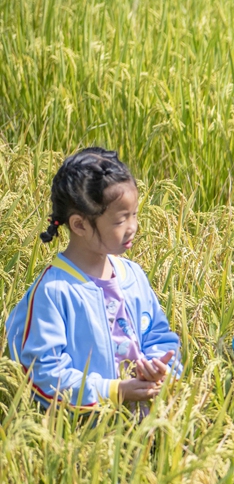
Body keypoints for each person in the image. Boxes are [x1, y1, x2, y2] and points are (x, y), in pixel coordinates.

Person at [7, 147, 179, 408]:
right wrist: (115, 390)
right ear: (79, 225)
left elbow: (158, 334)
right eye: (121, 219)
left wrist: (159, 367)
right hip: (85, 432)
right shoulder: (54, 291)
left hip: (146, 426)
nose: (133, 227)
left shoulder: (132, 276)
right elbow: (44, 374)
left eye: (134, 214)